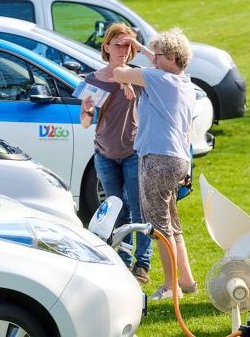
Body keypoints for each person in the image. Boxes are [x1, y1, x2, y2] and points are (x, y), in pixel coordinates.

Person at [111, 28, 197, 300]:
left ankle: (171, 288)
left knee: (159, 228)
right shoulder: (184, 81)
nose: (151, 60)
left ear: (171, 57)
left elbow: (119, 73)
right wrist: (137, 44)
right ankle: (186, 280)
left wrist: (120, 54)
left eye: (156, 56)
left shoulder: (159, 78)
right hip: (177, 159)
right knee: (171, 223)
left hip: (158, 159)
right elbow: (158, 59)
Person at [80, 23, 152, 284]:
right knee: (116, 210)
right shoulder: (93, 80)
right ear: (106, 46)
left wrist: (142, 49)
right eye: (119, 44)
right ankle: (122, 260)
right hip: (105, 154)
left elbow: (170, 74)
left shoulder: (138, 76)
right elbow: (86, 123)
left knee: (140, 210)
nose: (123, 49)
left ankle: (142, 264)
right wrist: (87, 110)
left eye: (128, 45)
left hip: (134, 152)